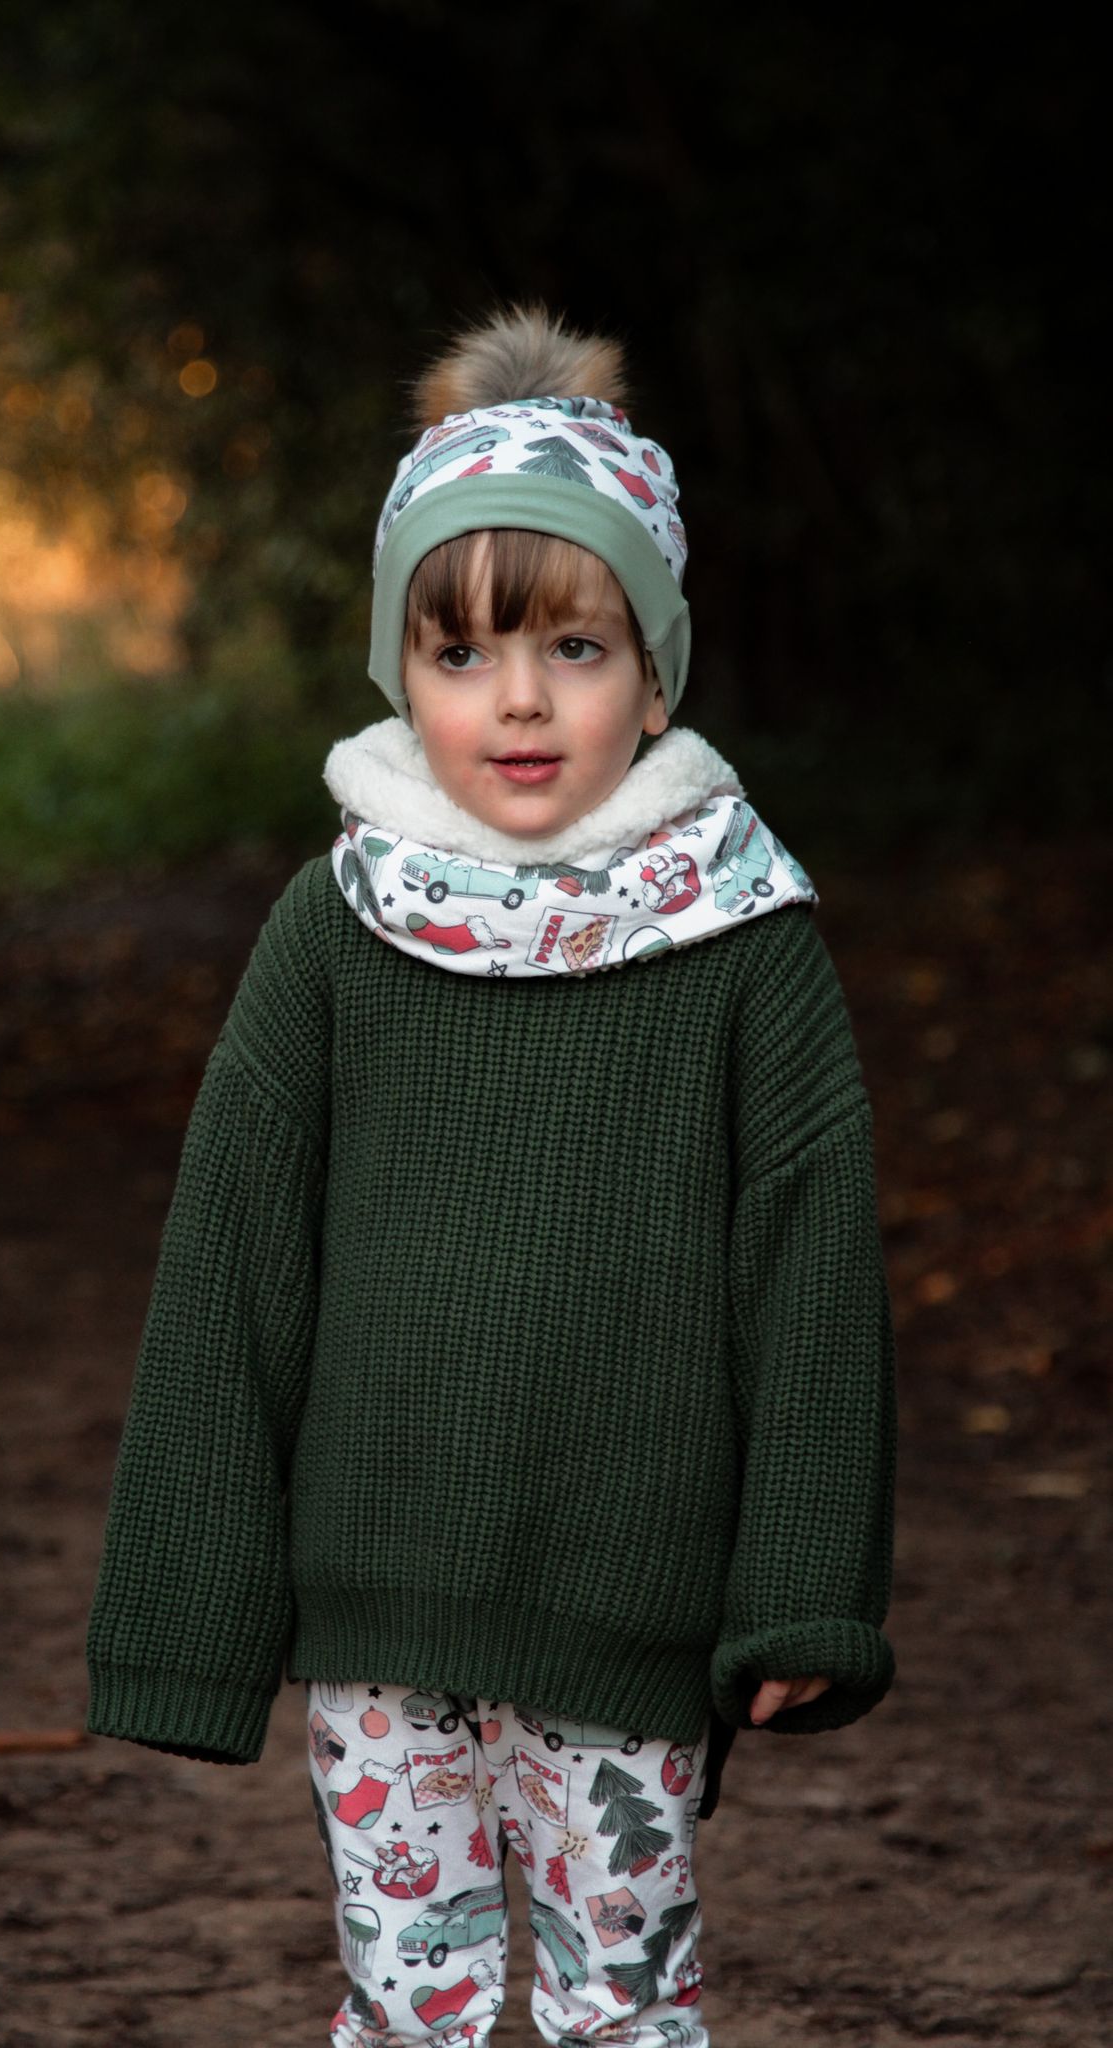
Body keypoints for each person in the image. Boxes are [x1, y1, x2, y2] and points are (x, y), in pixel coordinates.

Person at [84, 301, 898, 2047]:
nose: (517, 700)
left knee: (621, 2007)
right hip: (372, 1598)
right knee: (409, 2008)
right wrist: (190, 1611)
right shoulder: (336, 924)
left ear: (655, 672)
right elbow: (234, 1257)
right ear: (400, 675)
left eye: (573, 650)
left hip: (629, 1598)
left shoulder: (741, 939)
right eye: (459, 656)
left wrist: (805, 1579)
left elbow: (811, 1266)